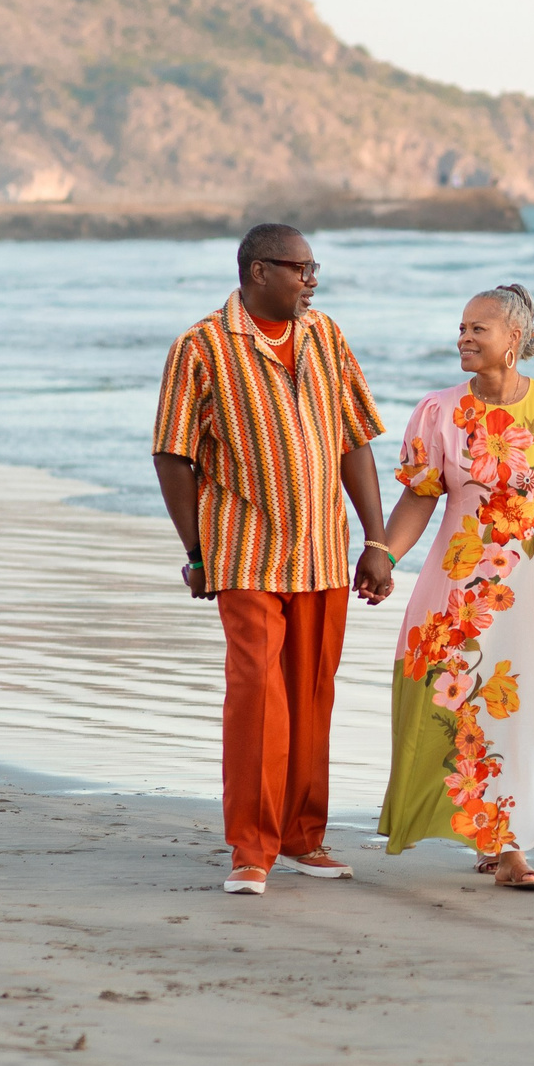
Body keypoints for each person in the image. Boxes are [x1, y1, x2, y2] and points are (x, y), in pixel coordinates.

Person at [152, 223, 394, 895]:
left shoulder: (326, 336)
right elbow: (172, 454)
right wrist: (196, 551)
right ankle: (251, 849)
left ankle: (301, 837)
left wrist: (376, 541)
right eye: (300, 268)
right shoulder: (201, 346)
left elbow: (354, 441)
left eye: (315, 269)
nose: (311, 281)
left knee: (313, 697)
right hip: (246, 553)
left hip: (324, 553)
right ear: (259, 271)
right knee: (258, 696)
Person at [374, 285, 534, 890]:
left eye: (479, 328)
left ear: (514, 339)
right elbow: (419, 498)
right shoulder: (438, 412)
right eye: (461, 328)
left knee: (529, 703)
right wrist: (383, 556)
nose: (464, 338)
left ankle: (510, 844)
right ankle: (488, 831)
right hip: (455, 587)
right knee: (453, 698)